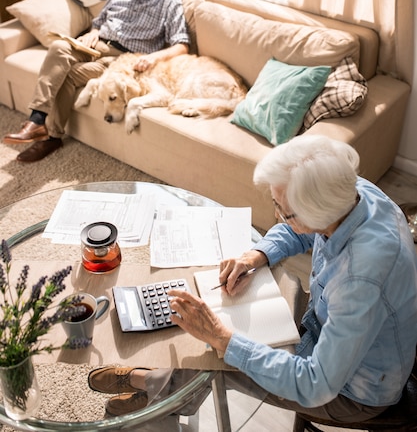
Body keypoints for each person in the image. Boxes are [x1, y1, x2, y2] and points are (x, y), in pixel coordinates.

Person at [88, 134, 417, 427]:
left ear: (316, 213)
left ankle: (157, 396)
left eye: (281, 209)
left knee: (212, 352)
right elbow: (299, 227)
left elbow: (315, 384)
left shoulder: (361, 278)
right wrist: (256, 255)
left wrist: (224, 340)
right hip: (322, 322)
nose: (276, 216)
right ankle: (164, 390)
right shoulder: (353, 190)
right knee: (212, 329)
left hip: (353, 391)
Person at [3, 0, 190, 162]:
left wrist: (154, 58)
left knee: (69, 75)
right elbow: (99, 20)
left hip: (122, 60)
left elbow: (182, 45)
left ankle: (52, 137)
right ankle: (36, 120)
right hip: (98, 43)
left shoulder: (169, 1)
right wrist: (94, 31)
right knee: (59, 47)